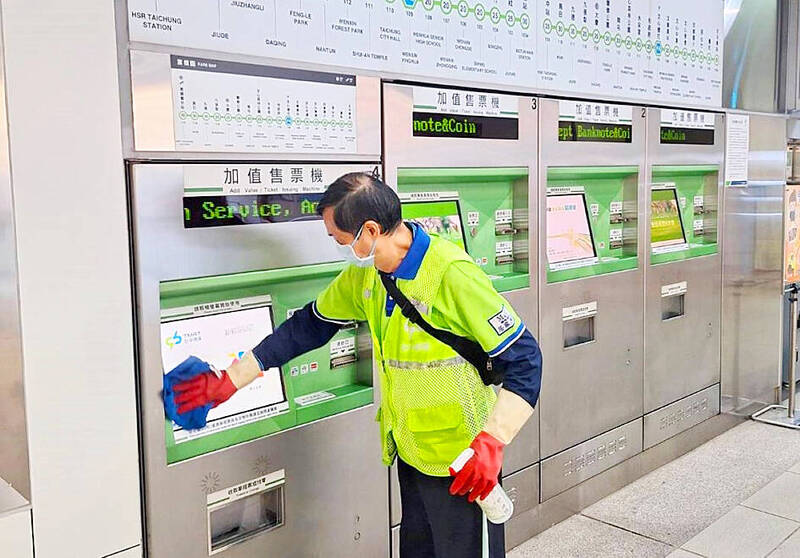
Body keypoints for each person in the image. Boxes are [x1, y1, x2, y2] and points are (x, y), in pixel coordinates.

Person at [169, 172, 542, 558]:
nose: (336, 244)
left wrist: (492, 442)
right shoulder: (366, 275)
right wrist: (231, 381)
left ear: (369, 230)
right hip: (412, 451)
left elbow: (526, 360)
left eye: (339, 238)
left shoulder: (451, 273)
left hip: (465, 461)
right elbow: (308, 326)